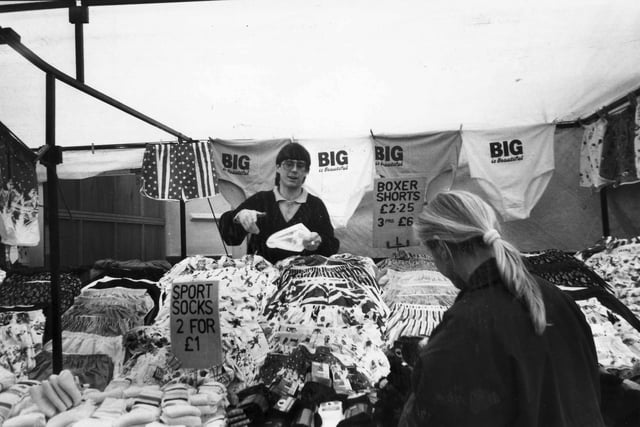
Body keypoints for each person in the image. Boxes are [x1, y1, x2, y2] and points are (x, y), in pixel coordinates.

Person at [399, 190, 604, 427]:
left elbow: (437, 415)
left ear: (443, 250)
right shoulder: (557, 298)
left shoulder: (464, 327)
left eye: (433, 256)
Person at [218, 142, 340, 264]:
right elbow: (229, 237)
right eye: (288, 164)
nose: (294, 170)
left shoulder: (315, 205)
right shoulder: (261, 200)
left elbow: (332, 247)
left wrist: (319, 242)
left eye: (300, 165)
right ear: (278, 167)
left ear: (306, 171)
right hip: (263, 277)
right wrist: (239, 216)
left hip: (301, 276)